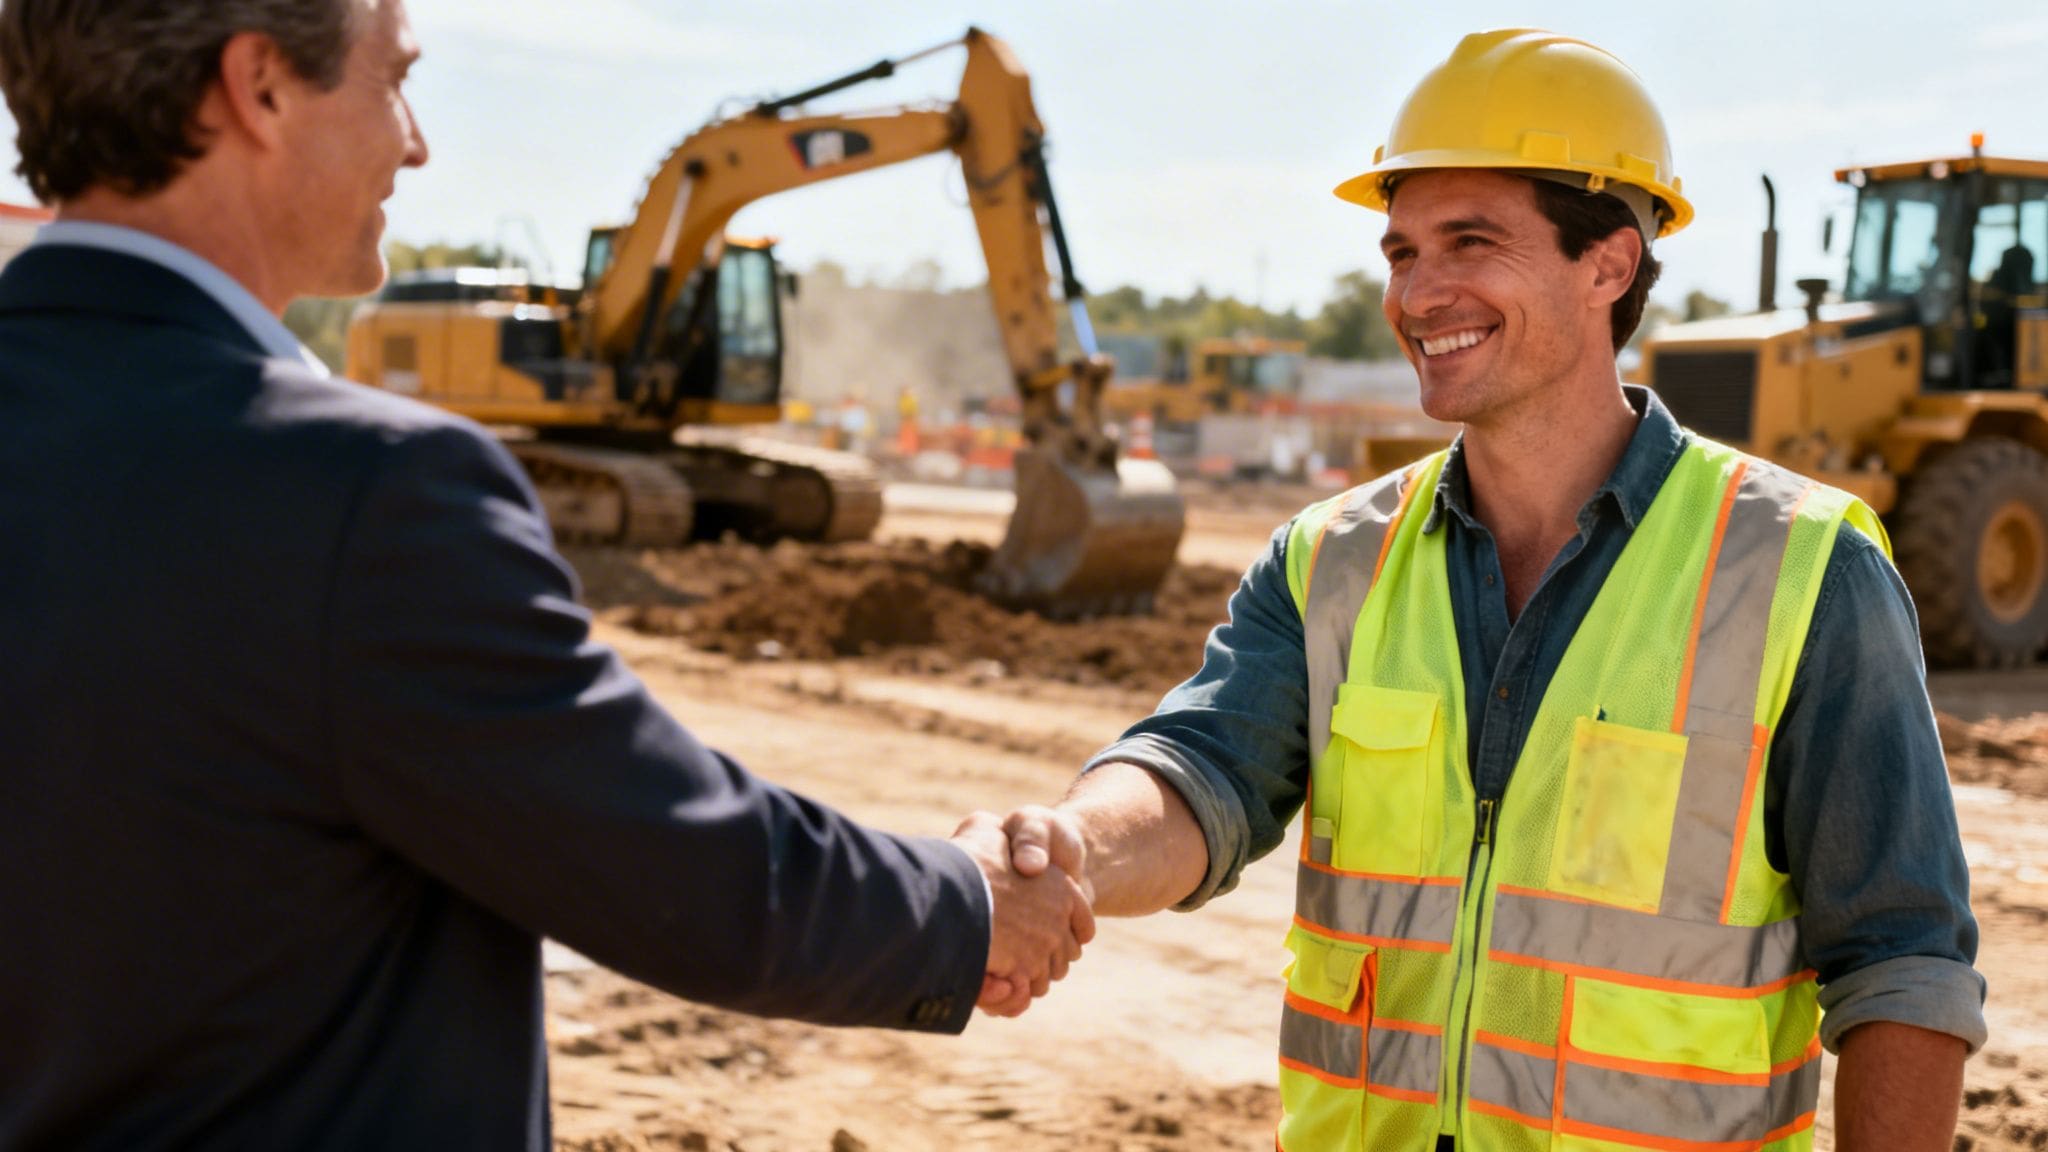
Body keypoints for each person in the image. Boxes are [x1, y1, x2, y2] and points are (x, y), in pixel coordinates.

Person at [0, 2, 1089, 1148]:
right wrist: (968, 902)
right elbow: (683, 867)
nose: (414, 141)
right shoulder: (364, 493)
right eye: (391, 83)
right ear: (259, 86)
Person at [985, 29, 1986, 1151]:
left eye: (1469, 242)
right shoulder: (1331, 560)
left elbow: (1900, 963)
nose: (1417, 292)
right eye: (1400, 251)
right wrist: (1062, 843)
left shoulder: (1801, 569)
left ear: (1607, 262)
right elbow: (1199, 773)